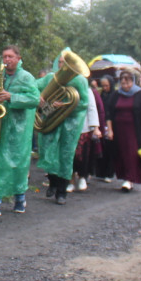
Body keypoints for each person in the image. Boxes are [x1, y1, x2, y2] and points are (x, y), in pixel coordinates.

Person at [0, 46, 39, 216]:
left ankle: (20, 199)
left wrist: (12, 97)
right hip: (1, 125)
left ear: (19, 58)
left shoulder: (27, 77)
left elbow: (34, 99)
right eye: (4, 56)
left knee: (18, 164)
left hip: (20, 129)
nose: (7, 60)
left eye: (11, 56)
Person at [35, 50, 91, 204]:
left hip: (70, 123)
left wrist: (66, 105)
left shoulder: (80, 81)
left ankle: (62, 192)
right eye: (61, 62)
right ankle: (52, 183)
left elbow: (84, 102)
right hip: (51, 119)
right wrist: (38, 97)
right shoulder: (49, 78)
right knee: (47, 151)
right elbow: (33, 86)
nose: (62, 65)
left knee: (65, 155)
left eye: (65, 63)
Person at [103, 70, 141, 191]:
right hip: (119, 130)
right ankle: (124, 176)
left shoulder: (140, 94)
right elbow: (109, 113)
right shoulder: (116, 95)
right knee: (121, 153)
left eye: (128, 84)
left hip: (135, 130)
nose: (125, 86)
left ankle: (130, 179)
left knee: (132, 154)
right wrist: (109, 130)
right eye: (123, 84)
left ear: (133, 82)